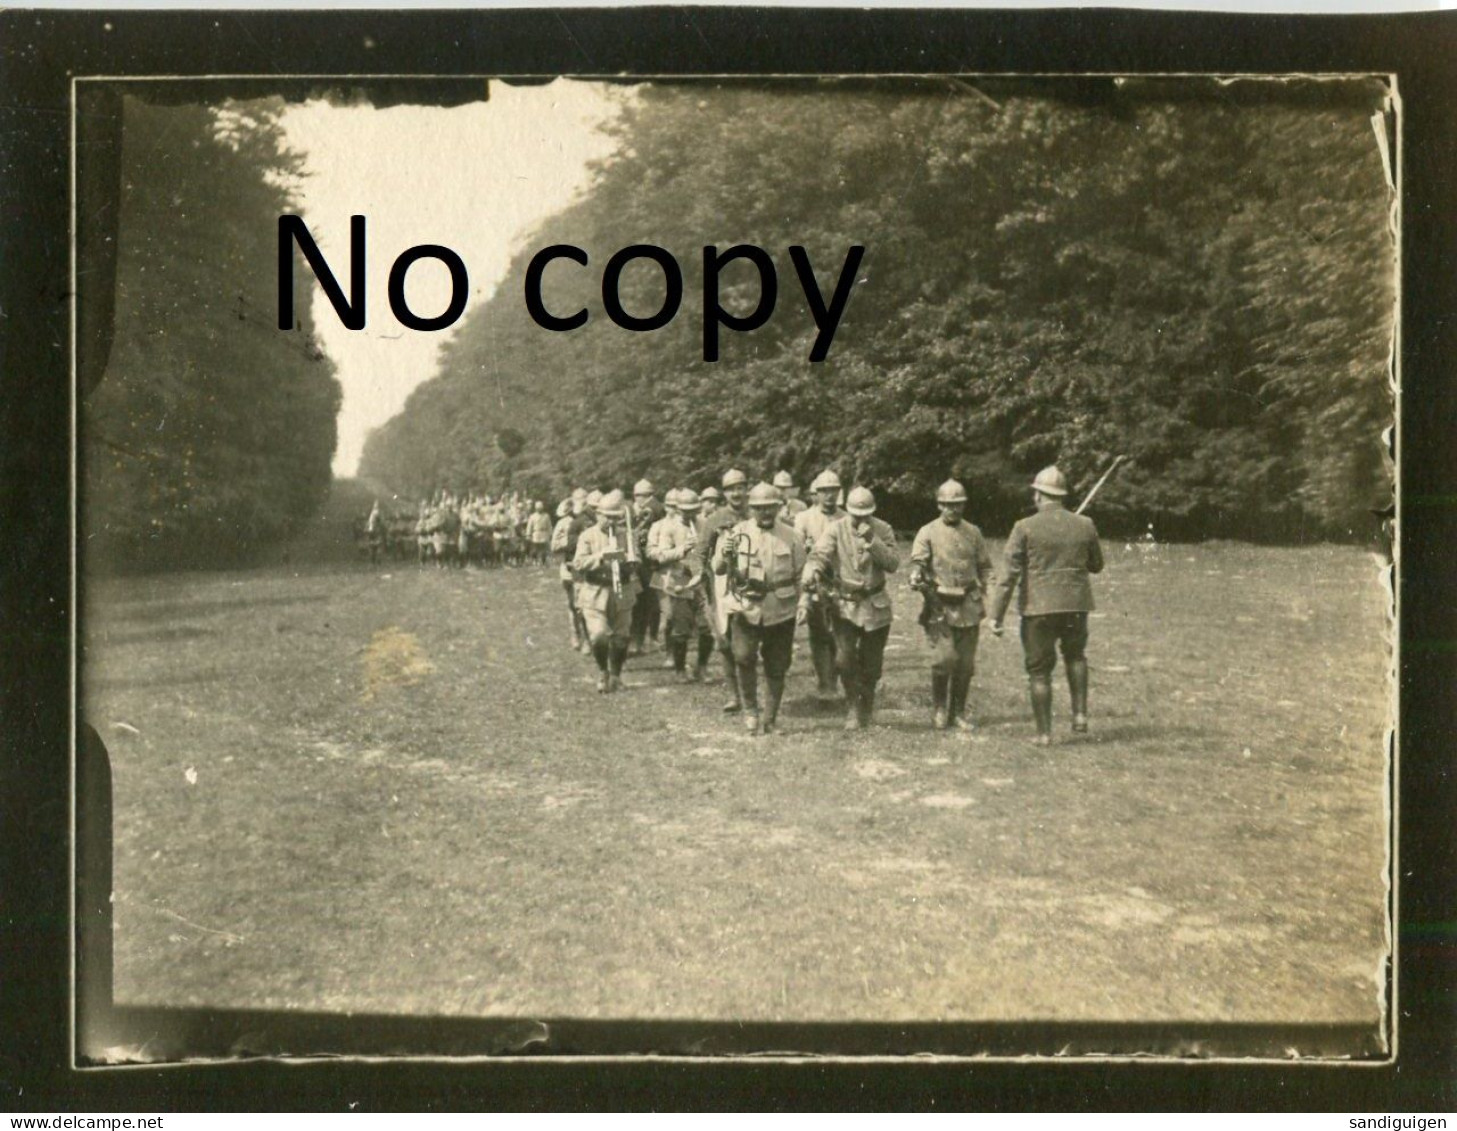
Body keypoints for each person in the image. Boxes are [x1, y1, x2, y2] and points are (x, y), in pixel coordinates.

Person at [989, 465, 1105, 746]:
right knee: (1075, 656)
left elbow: (1007, 577)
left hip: (1038, 608)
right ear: (1062, 496)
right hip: (1075, 605)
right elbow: (1096, 565)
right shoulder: (1085, 524)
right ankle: (1080, 716)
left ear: (1039, 496)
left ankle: (1044, 734)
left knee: (1039, 671)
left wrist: (996, 616)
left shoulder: (1024, 527)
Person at [713, 482, 806, 736]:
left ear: (778, 507)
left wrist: (804, 602)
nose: (765, 513)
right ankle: (751, 712)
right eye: (759, 508)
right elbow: (718, 569)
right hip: (746, 607)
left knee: (778, 665)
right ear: (751, 508)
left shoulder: (792, 536)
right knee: (743, 657)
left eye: (770, 508)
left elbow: (801, 576)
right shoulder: (736, 533)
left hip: (781, 608)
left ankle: (770, 718)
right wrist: (725, 550)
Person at [804, 486, 899, 730]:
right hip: (845, 605)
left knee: (872, 664)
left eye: (865, 515)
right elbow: (819, 554)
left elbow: (892, 564)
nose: (860, 520)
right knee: (844, 660)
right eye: (856, 515)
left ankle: (866, 706)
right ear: (848, 511)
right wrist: (812, 570)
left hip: (875, 604)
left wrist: (872, 541)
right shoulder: (836, 529)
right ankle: (853, 708)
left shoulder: (883, 529)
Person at [909, 479, 994, 731]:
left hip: (969, 604)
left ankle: (957, 712)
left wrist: (991, 585)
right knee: (943, 660)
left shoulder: (974, 532)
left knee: (965, 665)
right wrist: (916, 574)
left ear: (964, 506)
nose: (953, 510)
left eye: (957, 505)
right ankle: (939, 708)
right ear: (939, 505)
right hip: (939, 605)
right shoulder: (927, 532)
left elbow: (985, 566)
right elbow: (918, 561)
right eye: (947, 505)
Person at [572, 489, 639, 693]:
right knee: (599, 636)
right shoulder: (587, 536)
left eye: (615, 518)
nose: (611, 522)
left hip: (622, 591)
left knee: (621, 637)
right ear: (598, 515)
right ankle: (603, 671)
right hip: (595, 591)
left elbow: (636, 562)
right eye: (607, 517)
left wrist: (631, 562)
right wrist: (601, 556)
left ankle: (616, 675)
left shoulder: (627, 535)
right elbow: (578, 563)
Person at [700, 469, 752, 713]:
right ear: (725, 493)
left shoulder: (757, 513)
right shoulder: (715, 519)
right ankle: (734, 695)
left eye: (740, 487)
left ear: (747, 489)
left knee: (751, 642)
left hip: (753, 584)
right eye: (731, 489)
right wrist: (703, 584)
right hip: (721, 585)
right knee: (725, 641)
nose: (737, 493)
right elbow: (701, 553)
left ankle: (750, 692)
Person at [651, 488, 715, 682]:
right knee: (681, 630)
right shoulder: (668, 527)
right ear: (678, 510)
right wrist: (682, 550)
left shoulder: (704, 523)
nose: (690, 514)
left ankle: (702, 667)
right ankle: (680, 669)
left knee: (708, 628)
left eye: (693, 510)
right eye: (685, 511)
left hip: (701, 582)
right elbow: (661, 555)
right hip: (679, 583)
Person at [793, 469, 845, 701]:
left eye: (833, 491)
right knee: (819, 632)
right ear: (816, 494)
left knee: (840, 633)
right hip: (813, 582)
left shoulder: (846, 517)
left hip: (840, 582)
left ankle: (837, 680)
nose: (829, 496)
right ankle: (825, 683)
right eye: (824, 492)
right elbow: (797, 548)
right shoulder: (804, 518)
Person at [629, 478, 665, 654]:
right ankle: (649, 638)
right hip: (651, 563)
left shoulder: (652, 509)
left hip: (649, 563)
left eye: (639, 496)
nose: (637, 499)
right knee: (650, 601)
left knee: (645, 601)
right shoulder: (655, 508)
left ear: (646, 495)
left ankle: (644, 639)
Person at [526, 500, 553, 565]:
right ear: (536, 509)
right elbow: (530, 526)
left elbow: (549, 525)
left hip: (544, 533)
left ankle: (543, 561)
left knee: (543, 549)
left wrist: (550, 533)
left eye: (540, 508)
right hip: (536, 533)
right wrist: (528, 534)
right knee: (535, 548)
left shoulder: (546, 516)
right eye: (538, 508)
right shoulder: (533, 516)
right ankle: (535, 561)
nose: (539, 510)